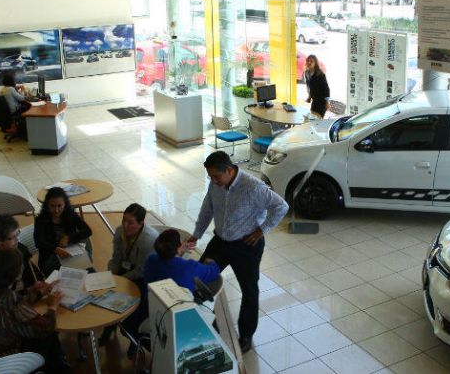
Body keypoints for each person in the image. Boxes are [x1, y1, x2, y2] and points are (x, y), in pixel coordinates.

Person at [185, 151, 289, 353]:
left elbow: (281, 206)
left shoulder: (253, 187)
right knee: (198, 279)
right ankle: (209, 321)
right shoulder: (216, 185)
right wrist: (196, 234)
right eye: (210, 177)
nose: (213, 181)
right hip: (221, 243)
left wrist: (262, 229)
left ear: (230, 170)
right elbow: (208, 209)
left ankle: (246, 335)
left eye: (217, 176)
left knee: (249, 291)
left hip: (246, 246)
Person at [121, 228, 221, 358]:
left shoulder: (151, 261)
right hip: (176, 325)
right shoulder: (190, 267)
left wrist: (178, 251)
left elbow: (168, 264)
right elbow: (214, 271)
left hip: (146, 317)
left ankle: (135, 346)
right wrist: (211, 262)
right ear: (178, 246)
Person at [0, 248, 69, 373]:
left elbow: (11, 304)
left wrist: (37, 292)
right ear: (17, 274)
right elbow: (47, 327)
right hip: (0, 363)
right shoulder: (11, 299)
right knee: (49, 337)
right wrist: (52, 306)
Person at [98, 203, 159, 346]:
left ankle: (134, 339)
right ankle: (110, 326)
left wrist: (120, 280)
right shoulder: (120, 232)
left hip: (146, 276)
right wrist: (111, 275)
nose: (125, 225)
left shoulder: (148, 240)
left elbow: (141, 270)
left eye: (130, 222)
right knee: (109, 293)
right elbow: (116, 258)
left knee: (140, 305)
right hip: (127, 270)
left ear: (141, 223)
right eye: (123, 220)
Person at [34, 187, 93, 277]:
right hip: (50, 257)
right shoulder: (41, 220)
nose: (56, 210)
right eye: (52, 206)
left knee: (90, 273)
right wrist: (55, 249)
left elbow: (87, 231)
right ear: (47, 205)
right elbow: (39, 243)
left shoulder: (71, 214)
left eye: (59, 206)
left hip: (71, 254)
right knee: (69, 278)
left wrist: (69, 238)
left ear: (65, 204)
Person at [303, 54, 330, 118]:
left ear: (315, 63)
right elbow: (310, 86)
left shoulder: (320, 74)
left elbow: (326, 88)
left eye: (311, 61)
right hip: (314, 100)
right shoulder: (306, 73)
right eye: (308, 61)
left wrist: (327, 102)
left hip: (322, 101)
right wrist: (309, 96)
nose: (309, 62)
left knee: (318, 120)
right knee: (311, 118)